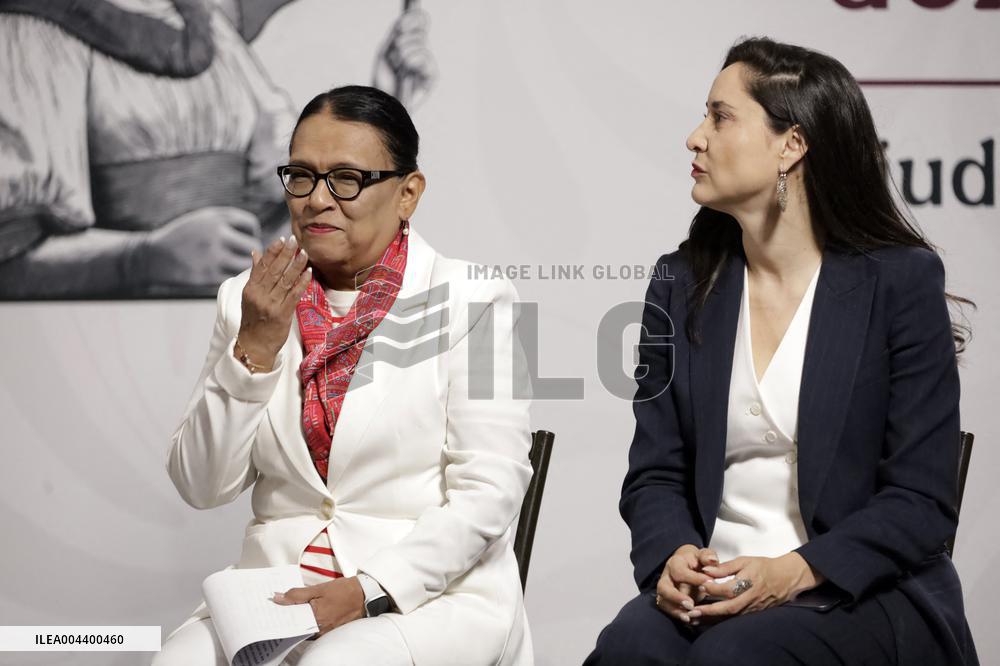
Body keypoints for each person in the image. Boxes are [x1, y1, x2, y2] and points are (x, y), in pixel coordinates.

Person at [584, 37, 978, 666]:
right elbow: (655, 471)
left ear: (790, 146)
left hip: (857, 588)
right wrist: (671, 557)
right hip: (719, 585)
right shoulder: (678, 283)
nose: (695, 137)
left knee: (735, 657)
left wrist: (792, 571)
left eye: (720, 116)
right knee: (627, 648)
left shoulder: (900, 282)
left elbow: (922, 501)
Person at [155, 85, 533, 666]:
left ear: (408, 194)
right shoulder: (247, 300)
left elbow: (489, 493)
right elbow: (202, 486)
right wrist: (253, 347)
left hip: (429, 594)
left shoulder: (473, 298)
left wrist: (366, 590)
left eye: (346, 179)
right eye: (301, 176)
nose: (316, 200)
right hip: (276, 592)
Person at [0, 0, 434, 298]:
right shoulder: (32, 32)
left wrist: (386, 102)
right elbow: (11, 258)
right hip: (121, 341)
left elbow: (291, 210)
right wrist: (143, 257)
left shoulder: (207, 31)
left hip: (242, 334)